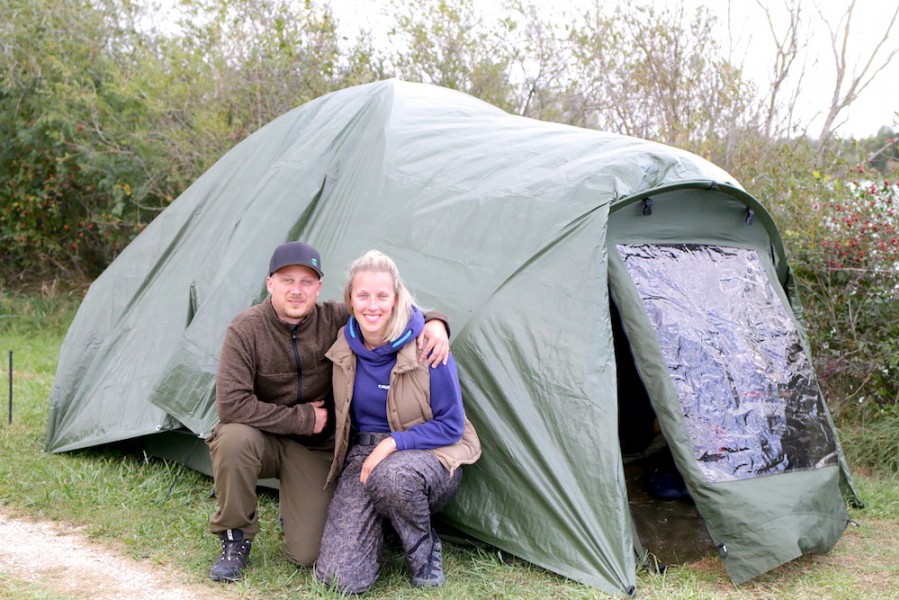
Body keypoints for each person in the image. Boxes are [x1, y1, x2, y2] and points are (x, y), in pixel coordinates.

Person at [207, 241, 450, 583]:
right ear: (270, 283)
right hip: (260, 440)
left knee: (306, 554)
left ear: (319, 288)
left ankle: (295, 512)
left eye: (307, 282)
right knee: (232, 438)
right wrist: (303, 419)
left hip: (315, 450)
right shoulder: (244, 330)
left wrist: (435, 322)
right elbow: (231, 404)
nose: (296, 290)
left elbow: (384, 309)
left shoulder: (335, 316)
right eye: (287, 280)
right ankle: (235, 538)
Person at [315, 250, 481, 593]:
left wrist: (392, 443)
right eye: (362, 296)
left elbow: (452, 426)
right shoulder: (343, 342)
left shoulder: (429, 347)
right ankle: (381, 528)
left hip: (430, 455)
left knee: (392, 477)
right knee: (339, 579)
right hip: (363, 454)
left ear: (396, 298)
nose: (372, 306)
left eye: (382, 296)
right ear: (350, 299)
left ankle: (423, 548)